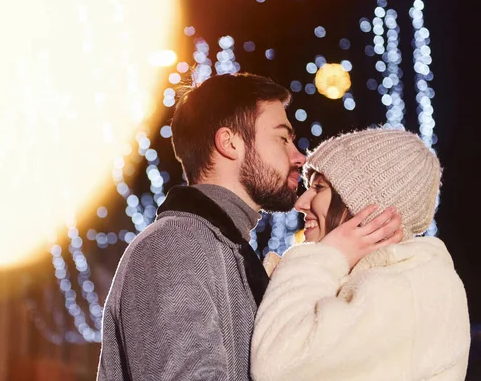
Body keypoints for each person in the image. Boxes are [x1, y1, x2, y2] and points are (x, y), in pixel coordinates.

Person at [97, 73, 402, 380]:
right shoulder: (175, 246)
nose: (299, 157)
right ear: (230, 143)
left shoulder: (223, 248)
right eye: (282, 138)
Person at [251, 128, 471, 381]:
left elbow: (279, 366)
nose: (300, 203)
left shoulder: (408, 289)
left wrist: (325, 256)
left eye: (319, 187)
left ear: (367, 206)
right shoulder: (379, 279)